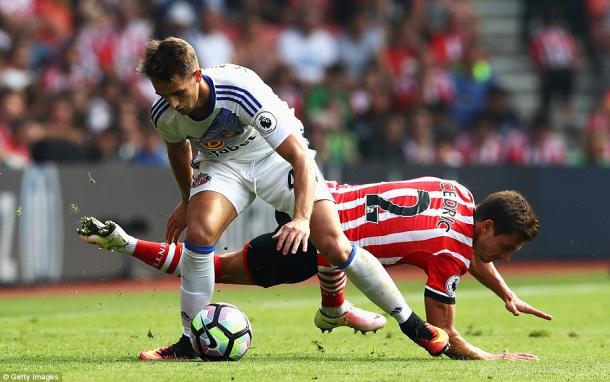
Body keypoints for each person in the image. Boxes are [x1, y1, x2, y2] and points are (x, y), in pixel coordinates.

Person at [135, 37, 447, 360]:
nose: (172, 103)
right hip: (222, 165)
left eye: (178, 93)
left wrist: (300, 219)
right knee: (199, 234)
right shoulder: (164, 113)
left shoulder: (239, 89)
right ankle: (188, 343)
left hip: (273, 156)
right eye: (163, 95)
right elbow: (177, 150)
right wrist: (187, 201)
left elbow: (299, 157)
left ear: (197, 75)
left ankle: (411, 324)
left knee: (333, 243)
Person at [79, 177, 552, 361]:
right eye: (505, 247)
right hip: (318, 239)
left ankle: (336, 307)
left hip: (315, 196)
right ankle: (124, 242)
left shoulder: (460, 193)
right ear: (487, 225)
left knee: (218, 258)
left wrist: (503, 292)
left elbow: (474, 249)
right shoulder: (451, 253)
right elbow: (443, 335)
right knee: (217, 267)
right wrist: (493, 359)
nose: (504, 258)